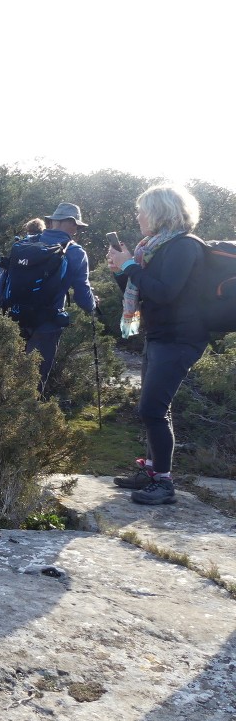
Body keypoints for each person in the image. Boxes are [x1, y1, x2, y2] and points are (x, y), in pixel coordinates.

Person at [107, 184, 209, 505]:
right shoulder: (154, 247)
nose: (138, 217)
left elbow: (165, 292)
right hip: (160, 334)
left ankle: (164, 483)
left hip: (180, 337)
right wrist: (121, 270)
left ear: (160, 212)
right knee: (155, 409)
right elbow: (143, 289)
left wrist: (130, 267)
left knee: (152, 408)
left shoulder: (184, 247)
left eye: (142, 210)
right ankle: (151, 471)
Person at [5, 203, 97, 394]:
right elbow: (82, 295)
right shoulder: (75, 251)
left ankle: (5, 418)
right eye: (77, 226)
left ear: (53, 221)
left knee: (11, 376)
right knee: (34, 382)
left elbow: (4, 280)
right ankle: (32, 418)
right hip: (46, 323)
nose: (77, 230)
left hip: (15, 317)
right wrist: (93, 306)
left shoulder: (25, 243)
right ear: (71, 224)